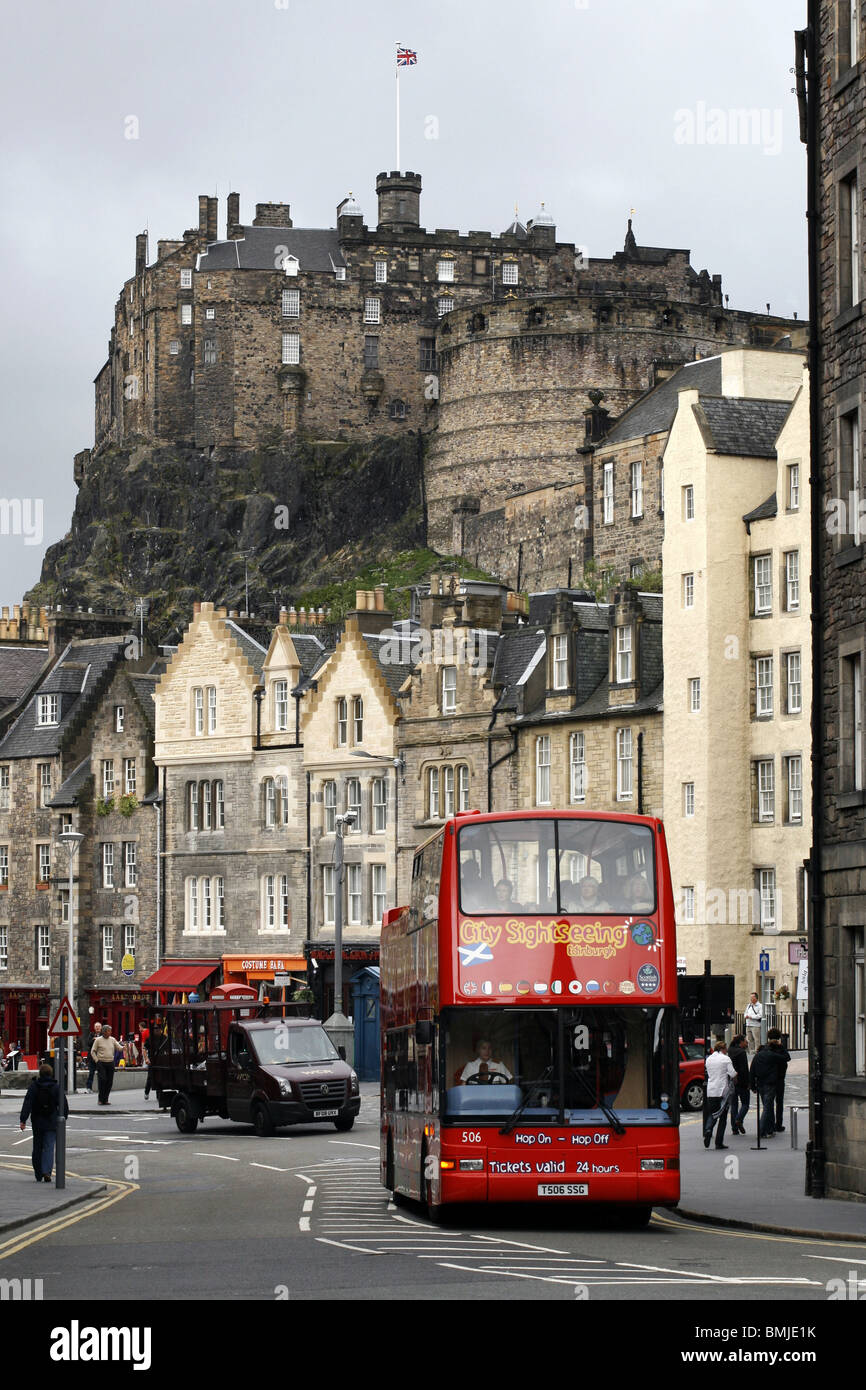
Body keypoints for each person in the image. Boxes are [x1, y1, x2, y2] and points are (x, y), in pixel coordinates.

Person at [19, 1062, 68, 1182]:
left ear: (40, 1074)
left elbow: (27, 1103)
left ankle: (38, 1173)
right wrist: (64, 1118)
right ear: (51, 1074)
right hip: (51, 1121)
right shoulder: (56, 1087)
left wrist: (23, 1120)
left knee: (37, 1147)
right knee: (49, 1147)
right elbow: (64, 1104)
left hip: (37, 1121)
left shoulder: (34, 1086)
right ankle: (47, 1171)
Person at [703, 1042, 736, 1149]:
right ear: (722, 1048)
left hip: (711, 1091)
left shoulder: (709, 1059)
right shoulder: (725, 1059)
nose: (727, 1050)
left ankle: (708, 1129)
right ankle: (719, 1142)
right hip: (723, 1091)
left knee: (712, 1114)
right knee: (723, 1118)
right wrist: (735, 1081)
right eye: (725, 1048)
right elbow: (733, 1073)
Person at [749, 1041, 784, 1137]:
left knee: (768, 1106)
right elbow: (786, 1058)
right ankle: (761, 1130)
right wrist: (781, 1047)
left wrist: (752, 1086)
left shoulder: (757, 1056)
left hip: (760, 1084)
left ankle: (770, 1128)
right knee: (767, 1107)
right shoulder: (772, 1055)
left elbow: (752, 1071)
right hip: (770, 1084)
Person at [767, 1027, 791, 1133]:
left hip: (769, 1078)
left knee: (769, 1102)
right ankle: (778, 1124)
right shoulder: (780, 1048)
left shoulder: (767, 1047)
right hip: (780, 1078)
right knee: (779, 1102)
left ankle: (770, 1124)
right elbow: (788, 1057)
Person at [727, 1033, 751, 1134]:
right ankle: (739, 1119)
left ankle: (734, 1128)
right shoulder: (741, 1052)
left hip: (732, 1080)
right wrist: (748, 1082)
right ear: (740, 1042)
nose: (747, 1042)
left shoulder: (730, 1050)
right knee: (745, 1104)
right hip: (741, 1081)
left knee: (734, 1105)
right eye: (745, 1041)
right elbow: (744, 1069)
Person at [91, 1024, 120, 1105]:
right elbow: (92, 1051)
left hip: (110, 1062)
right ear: (104, 1032)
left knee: (109, 1082)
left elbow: (119, 1047)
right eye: (109, 1031)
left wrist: (124, 1047)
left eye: (110, 1031)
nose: (110, 1032)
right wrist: (97, 1060)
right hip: (101, 1063)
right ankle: (100, 1099)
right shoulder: (98, 1040)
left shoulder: (112, 1039)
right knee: (102, 1080)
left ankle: (106, 1099)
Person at [84, 1022, 102, 1092]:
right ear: (94, 1028)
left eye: (99, 1027)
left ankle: (101, 1087)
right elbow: (88, 1043)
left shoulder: (103, 1035)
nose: (97, 1028)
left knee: (101, 1074)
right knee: (91, 1073)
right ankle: (89, 1087)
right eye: (96, 1027)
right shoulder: (91, 1034)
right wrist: (93, 1040)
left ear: (101, 1028)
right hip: (92, 1057)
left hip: (100, 1057)